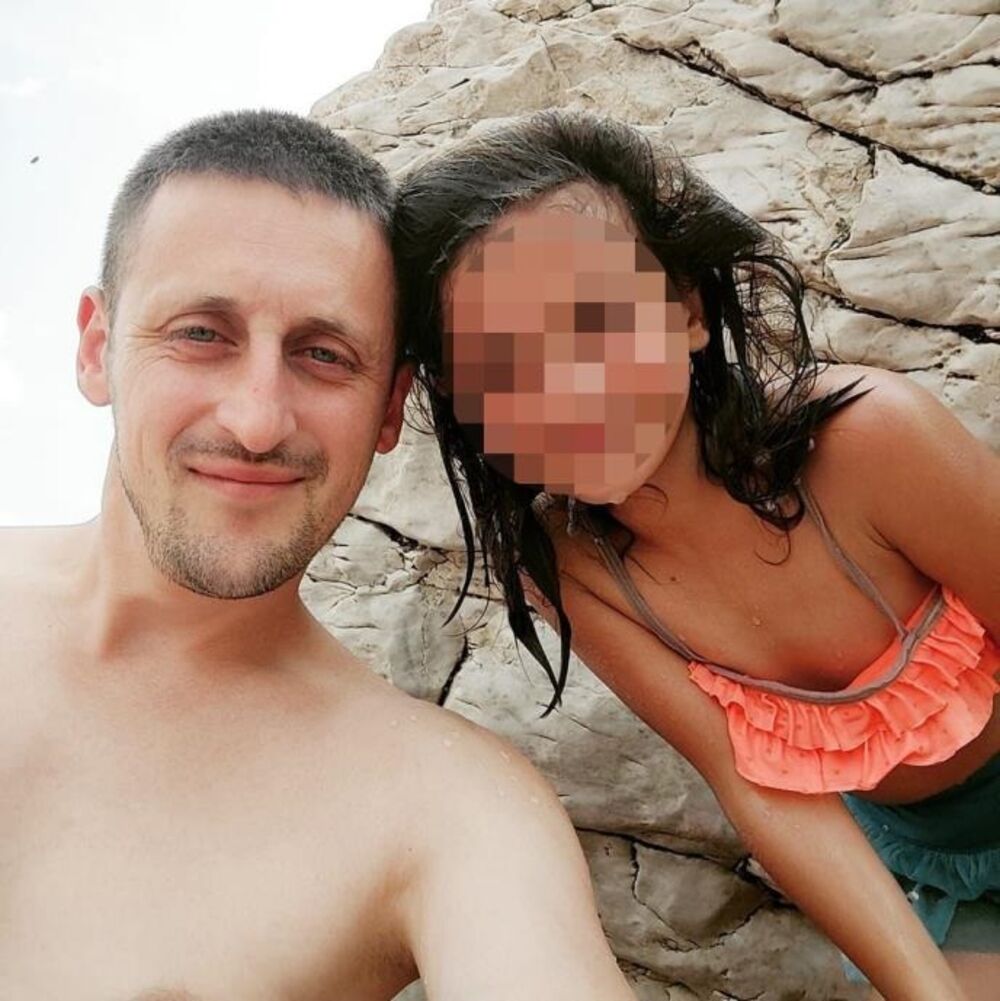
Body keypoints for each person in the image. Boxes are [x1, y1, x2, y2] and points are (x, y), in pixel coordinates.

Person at [0, 109, 639, 1001]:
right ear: (96, 348)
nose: (257, 420)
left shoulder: (440, 807)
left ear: (390, 409)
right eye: (201, 333)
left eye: (324, 354)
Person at [392, 110, 1000, 1001]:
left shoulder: (870, 441)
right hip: (934, 872)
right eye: (503, 363)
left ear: (687, 310)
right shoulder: (581, 571)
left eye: (594, 321)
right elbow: (764, 791)